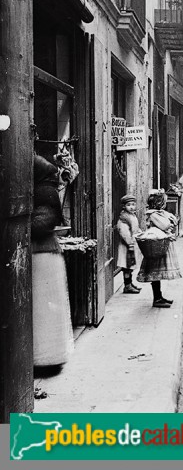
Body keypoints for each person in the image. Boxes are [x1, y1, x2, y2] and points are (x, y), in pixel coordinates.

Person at [31, 155, 74, 368]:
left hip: (42, 252)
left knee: (43, 309)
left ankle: (44, 358)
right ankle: (45, 357)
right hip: (44, 252)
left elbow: (44, 221)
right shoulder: (45, 187)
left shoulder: (44, 190)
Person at [136, 189, 181, 308]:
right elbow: (166, 225)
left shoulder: (159, 213)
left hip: (161, 243)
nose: (165, 204)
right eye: (163, 202)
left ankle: (159, 296)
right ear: (159, 203)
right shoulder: (153, 214)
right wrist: (170, 221)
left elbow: (173, 221)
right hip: (156, 244)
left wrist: (171, 220)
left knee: (158, 272)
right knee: (155, 271)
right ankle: (157, 298)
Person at [116, 193, 141, 293]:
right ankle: (127, 286)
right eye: (129, 205)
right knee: (127, 266)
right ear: (124, 206)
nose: (131, 207)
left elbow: (135, 228)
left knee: (131, 266)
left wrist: (141, 233)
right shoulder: (124, 218)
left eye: (133, 204)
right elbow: (124, 232)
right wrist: (130, 243)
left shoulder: (132, 216)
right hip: (127, 246)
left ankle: (130, 283)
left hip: (133, 244)